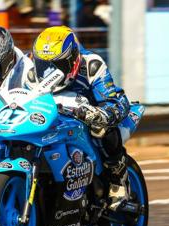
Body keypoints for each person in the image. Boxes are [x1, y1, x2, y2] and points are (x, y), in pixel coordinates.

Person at [31, 26, 130, 210]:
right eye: (43, 66)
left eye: (56, 66)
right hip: (52, 119)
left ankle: (118, 178)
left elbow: (116, 101)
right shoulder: (30, 73)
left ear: (73, 61)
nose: (48, 73)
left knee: (102, 129)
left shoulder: (91, 65)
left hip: (86, 118)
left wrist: (98, 113)